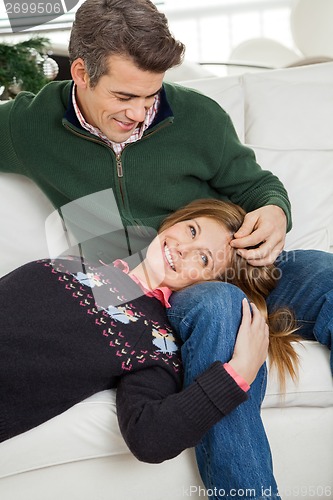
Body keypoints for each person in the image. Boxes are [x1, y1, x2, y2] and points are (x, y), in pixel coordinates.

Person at [0, 0, 332, 498]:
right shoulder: (32, 125)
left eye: (151, 97)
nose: (139, 113)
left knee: (326, 275)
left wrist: (274, 210)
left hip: (230, 259)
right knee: (219, 307)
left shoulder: (197, 116)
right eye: (124, 96)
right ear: (81, 72)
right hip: (158, 290)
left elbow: (256, 185)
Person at [1, 199, 297, 491]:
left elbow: (149, 438)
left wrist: (238, 374)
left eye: (204, 259)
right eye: (192, 230)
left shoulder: (157, 339)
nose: (184, 248)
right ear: (176, 220)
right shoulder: (78, 263)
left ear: (209, 284)